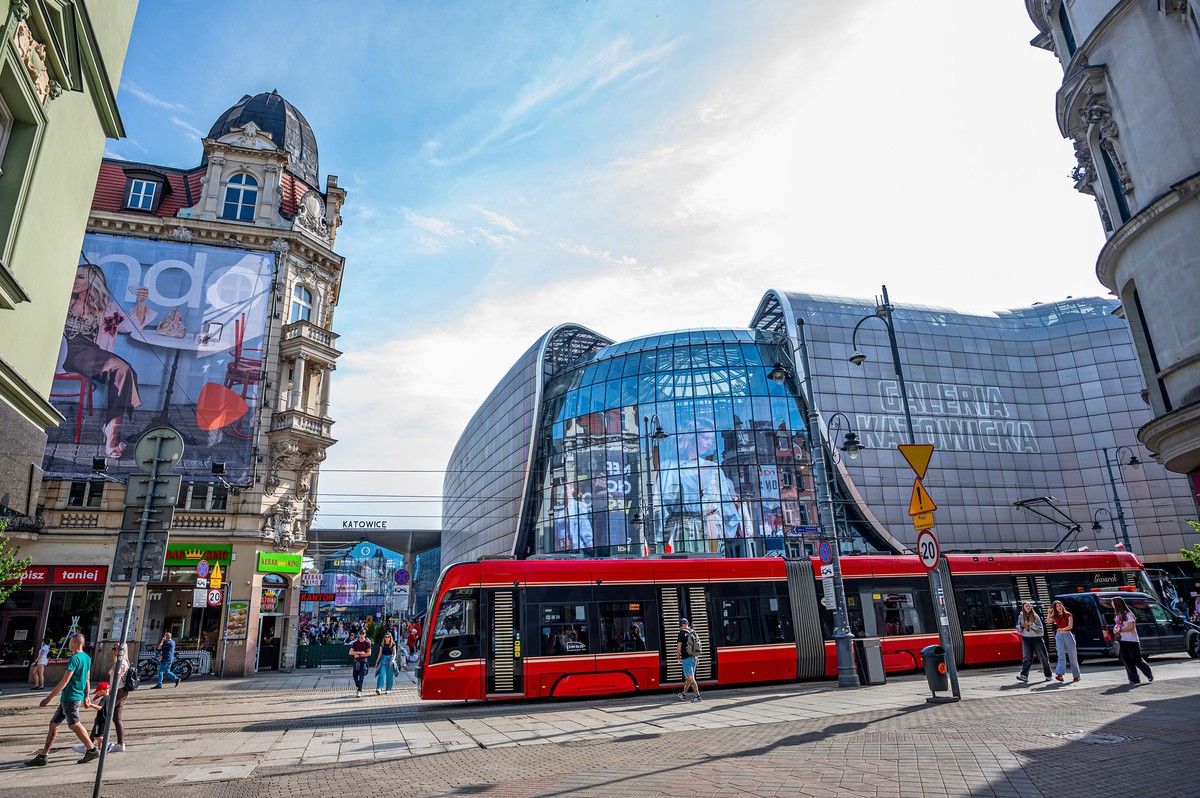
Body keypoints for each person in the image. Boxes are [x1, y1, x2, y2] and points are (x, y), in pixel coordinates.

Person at [61, 263, 155, 458]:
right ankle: (112, 431)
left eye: (81, 277)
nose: (75, 281)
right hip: (60, 348)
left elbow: (132, 325)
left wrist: (141, 302)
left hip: (86, 352)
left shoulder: (107, 308)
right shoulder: (61, 299)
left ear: (93, 282)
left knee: (124, 371)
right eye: (74, 275)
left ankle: (111, 428)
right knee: (123, 371)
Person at [659, 420, 742, 552]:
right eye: (705, 438)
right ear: (690, 437)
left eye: (711, 439)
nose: (709, 442)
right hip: (678, 529)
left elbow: (726, 506)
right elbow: (659, 504)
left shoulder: (713, 468)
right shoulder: (668, 466)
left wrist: (726, 530)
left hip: (709, 528)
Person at [25, 633, 100, 766]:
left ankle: (91, 749)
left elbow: (65, 681)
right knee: (54, 724)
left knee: (74, 724)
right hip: (70, 697)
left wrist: (48, 698)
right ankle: (43, 756)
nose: (69, 644)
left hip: (71, 697)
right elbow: (88, 679)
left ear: (75, 643)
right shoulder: (87, 658)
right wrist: (87, 696)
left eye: (70, 642)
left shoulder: (75, 659)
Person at [1112, 596, 1154, 684]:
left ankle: (1148, 674)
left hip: (1132, 640)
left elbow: (1130, 627)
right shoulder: (1118, 615)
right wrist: (1116, 628)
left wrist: (1120, 630)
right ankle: (1133, 678)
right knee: (1127, 659)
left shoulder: (1128, 614)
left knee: (1136, 659)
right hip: (1122, 639)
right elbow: (1117, 625)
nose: (1111, 604)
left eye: (1113, 603)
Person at [1015, 602, 1051, 683]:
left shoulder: (1035, 616)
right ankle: (1024, 675)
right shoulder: (1021, 616)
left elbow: (1041, 630)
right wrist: (1020, 629)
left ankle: (1048, 675)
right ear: (1023, 608)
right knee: (1027, 657)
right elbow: (1019, 626)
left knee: (1043, 657)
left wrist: (1032, 624)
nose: (1028, 607)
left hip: (1036, 638)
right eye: (1026, 606)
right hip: (1026, 638)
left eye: (1029, 606)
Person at [1048, 600, 1081, 683]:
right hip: (1059, 636)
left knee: (1072, 656)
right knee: (1061, 655)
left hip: (1067, 635)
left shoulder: (1068, 614)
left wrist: (1062, 629)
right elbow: (1048, 622)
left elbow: (1070, 626)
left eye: (1060, 605)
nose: (1059, 607)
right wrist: (1049, 613)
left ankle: (1076, 676)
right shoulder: (1055, 616)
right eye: (1057, 606)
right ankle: (1059, 674)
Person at [675, 618, 701, 702]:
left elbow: (679, 646)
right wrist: (697, 657)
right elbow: (696, 645)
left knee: (691, 678)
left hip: (686, 658)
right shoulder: (692, 631)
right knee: (687, 678)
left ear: (681, 625)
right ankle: (683, 694)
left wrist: (678, 656)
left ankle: (697, 696)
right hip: (694, 657)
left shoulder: (681, 633)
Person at [349, 629, 372, 698]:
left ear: (365, 634)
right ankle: (358, 685)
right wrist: (358, 653)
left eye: (363, 633)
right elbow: (350, 652)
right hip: (356, 661)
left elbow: (369, 653)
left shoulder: (367, 643)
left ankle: (359, 690)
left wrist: (361, 655)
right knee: (355, 676)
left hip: (363, 661)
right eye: (361, 634)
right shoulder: (355, 643)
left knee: (361, 676)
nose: (362, 635)